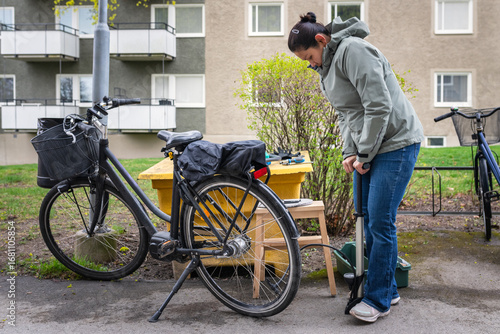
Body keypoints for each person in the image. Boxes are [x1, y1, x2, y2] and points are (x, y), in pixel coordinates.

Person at [288, 13, 424, 323]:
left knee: (380, 221)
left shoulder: (353, 51)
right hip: (370, 145)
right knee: (365, 216)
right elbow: (347, 114)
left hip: (396, 142)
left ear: (321, 41)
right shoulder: (326, 68)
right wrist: (351, 151)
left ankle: (377, 300)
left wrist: (363, 152)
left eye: (309, 56)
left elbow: (378, 105)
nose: (310, 64)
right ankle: (387, 289)